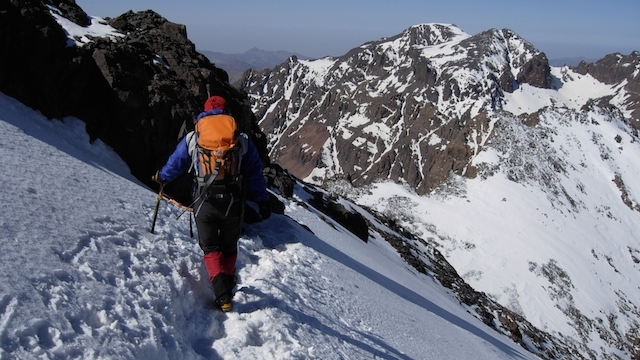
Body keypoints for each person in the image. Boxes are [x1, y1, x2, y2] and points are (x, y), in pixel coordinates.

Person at [153, 95, 271, 312]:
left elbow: (176, 163)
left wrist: (162, 177)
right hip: (233, 202)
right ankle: (228, 281)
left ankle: (223, 296)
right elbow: (255, 173)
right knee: (228, 245)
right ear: (227, 113)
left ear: (205, 113)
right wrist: (262, 201)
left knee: (210, 248)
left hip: (204, 200)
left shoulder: (194, 137)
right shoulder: (241, 139)